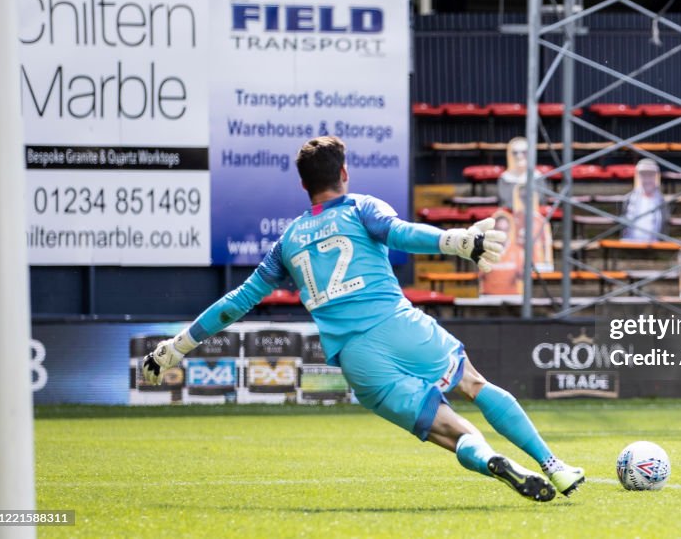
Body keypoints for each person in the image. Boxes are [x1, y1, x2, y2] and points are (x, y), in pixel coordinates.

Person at [141, 136, 585, 502]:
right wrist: (455, 241)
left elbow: (235, 302)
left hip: (357, 360)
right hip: (399, 326)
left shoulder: (288, 241)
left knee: (450, 433)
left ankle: (493, 461)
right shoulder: (359, 207)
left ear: (304, 186)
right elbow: (401, 234)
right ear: (344, 174)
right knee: (473, 384)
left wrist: (176, 347)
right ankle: (555, 467)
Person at [622, 158, 669, 241]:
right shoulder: (628, 199)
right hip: (630, 245)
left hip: (655, 246)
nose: (647, 179)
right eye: (643, 175)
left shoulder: (662, 201)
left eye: (651, 175)